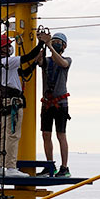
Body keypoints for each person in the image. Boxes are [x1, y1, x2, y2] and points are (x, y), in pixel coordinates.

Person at [0, 32, 45, 177]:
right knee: (13, 135)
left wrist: (35, 63)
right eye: (8, 45)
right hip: (13, 102)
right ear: (2, 49)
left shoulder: (2, 64)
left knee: (3, 135)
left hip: (5, 102)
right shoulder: (8, 61)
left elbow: (24, 72)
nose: (10, 47)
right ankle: (10, 167)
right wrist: (41, 43)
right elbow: (26, 57)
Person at [37, 32, 72, 177]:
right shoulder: (46, 60)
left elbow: (61, 63)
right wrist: (41, 44)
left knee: (60, 135)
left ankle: (64, 167)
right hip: (47, 104)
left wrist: (50, 45)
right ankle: (50, 164)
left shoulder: (67, 60)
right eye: (54, 41)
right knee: (46, 134)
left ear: (63, 46)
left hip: (60, 103)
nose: (56, 44)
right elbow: (38, 61)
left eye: (58, 42)